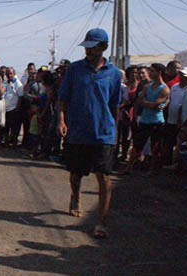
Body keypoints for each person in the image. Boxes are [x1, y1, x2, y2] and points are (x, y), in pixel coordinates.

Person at [57, 28, 121, 238]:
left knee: (103, 175)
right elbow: (62, 98)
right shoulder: (75, 70)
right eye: (87, 48)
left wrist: (115, 133)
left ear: (103, 47)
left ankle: (101, 221)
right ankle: (75, 196)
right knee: (75, 173)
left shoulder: (113, 74)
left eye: (93, 48)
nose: (89, 52)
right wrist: (61, 120)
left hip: (103, 132)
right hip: (78, 131)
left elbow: (114, 106)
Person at [130, 63, 170, 177]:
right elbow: (139, 101)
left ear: (159, 73)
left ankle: (153, 170)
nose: (150, 73)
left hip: (156, 122)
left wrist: (147, 103)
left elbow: (155, 104)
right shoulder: (148, 86)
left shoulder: (164, 88)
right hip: (145, 120)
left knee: (155, 147)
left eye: (152, 71)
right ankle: (129, 167)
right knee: (137, 144)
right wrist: (149, 103)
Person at [162, 69, 185, 166]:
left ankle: (179, 163)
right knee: (169, 141)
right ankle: (168, 161)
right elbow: (169, 100)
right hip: (171, 119)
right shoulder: (174, 87)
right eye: (180, 75)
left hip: (182, 121)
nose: (181, 77)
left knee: (181, 143)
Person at [2, 67, 24, 147]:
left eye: (10, 73)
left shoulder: (18, 83)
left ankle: (14, 144)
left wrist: (17, 108)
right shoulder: (5, 82)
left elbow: (21, 97)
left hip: (14, 109)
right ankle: (6, 143)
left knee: (14, 128)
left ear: (14, 74)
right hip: (6, 109)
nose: (9, 75)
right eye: (7, 74)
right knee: (6, 127)